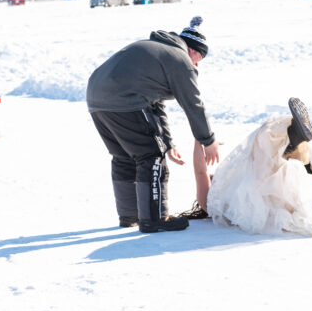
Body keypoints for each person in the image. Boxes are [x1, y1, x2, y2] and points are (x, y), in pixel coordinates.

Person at [87, 16, 220, 233]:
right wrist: (209, 141)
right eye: (199, 59)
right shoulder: (180, 59)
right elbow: (193, 104)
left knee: (124, 156)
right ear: (194, 51)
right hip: (125, 99)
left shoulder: (158, 50)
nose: (196, 65)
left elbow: (155, 104)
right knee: (151, 156)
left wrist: (168, 143)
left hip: (97, 99)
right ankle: (155, 219)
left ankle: (131, 215)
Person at [179, 98, 312, 237]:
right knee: (261, 142)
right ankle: (292, 137)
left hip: (272, 199)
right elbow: (200, 170)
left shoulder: (225, 204)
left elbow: (202, 172)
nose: (211, 176)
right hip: (262, 195)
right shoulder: (209, 203)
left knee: (295, 171)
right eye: (211, 177)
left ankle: (293, 142)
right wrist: (200, 137)